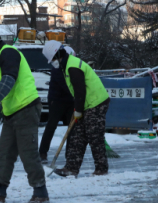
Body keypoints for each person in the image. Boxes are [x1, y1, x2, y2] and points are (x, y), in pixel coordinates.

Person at [0, 24, 49, 203]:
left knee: (28, 152)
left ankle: (41, 193)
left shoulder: (8, 53)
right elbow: (5, 94)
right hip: (11, 113)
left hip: (26, 109)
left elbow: (9, 79)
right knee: (4, 153)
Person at [42, 41, 110, 176]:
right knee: (77, 136)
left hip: (96, 103)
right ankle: (71, 168)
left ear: (58, 54)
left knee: (94, 136)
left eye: (53, 59)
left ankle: (101, 168)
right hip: (85, 103)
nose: (53, 63)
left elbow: (80, 90)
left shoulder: (73, 66)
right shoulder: (66, 65)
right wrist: (78, 109)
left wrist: (77, 110)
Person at [39, 46, 76, 164]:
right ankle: (42, 153)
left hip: (70, 100)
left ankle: (70, 154)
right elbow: (66, 86)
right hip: (57, 100)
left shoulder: (71, 65)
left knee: (72, 127)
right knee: (51, 125)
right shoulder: (57, 68)